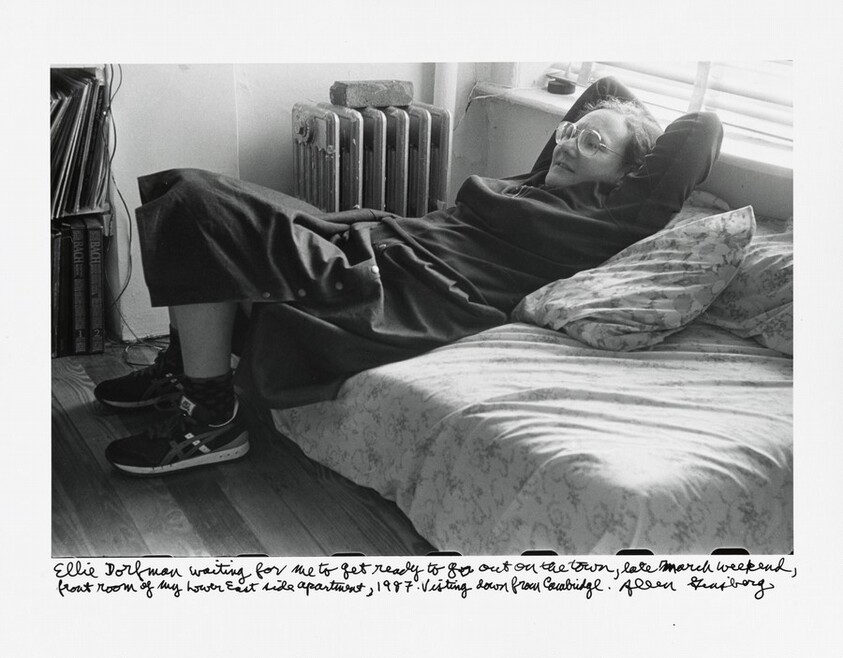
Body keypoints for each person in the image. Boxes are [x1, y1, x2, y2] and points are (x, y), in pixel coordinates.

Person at [95, 77, 723, 476]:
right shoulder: (539, 181)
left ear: (622, 179)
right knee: (183, 185)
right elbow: (603, 87)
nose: (567, 143)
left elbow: (701, 132)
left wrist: (631, 135)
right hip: (375, 242)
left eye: (591, 144)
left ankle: (211, 418)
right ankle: (185, 366)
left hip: (401, 288)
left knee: (198, 208)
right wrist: (603, 123)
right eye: (570, 131)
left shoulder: (605, 220)